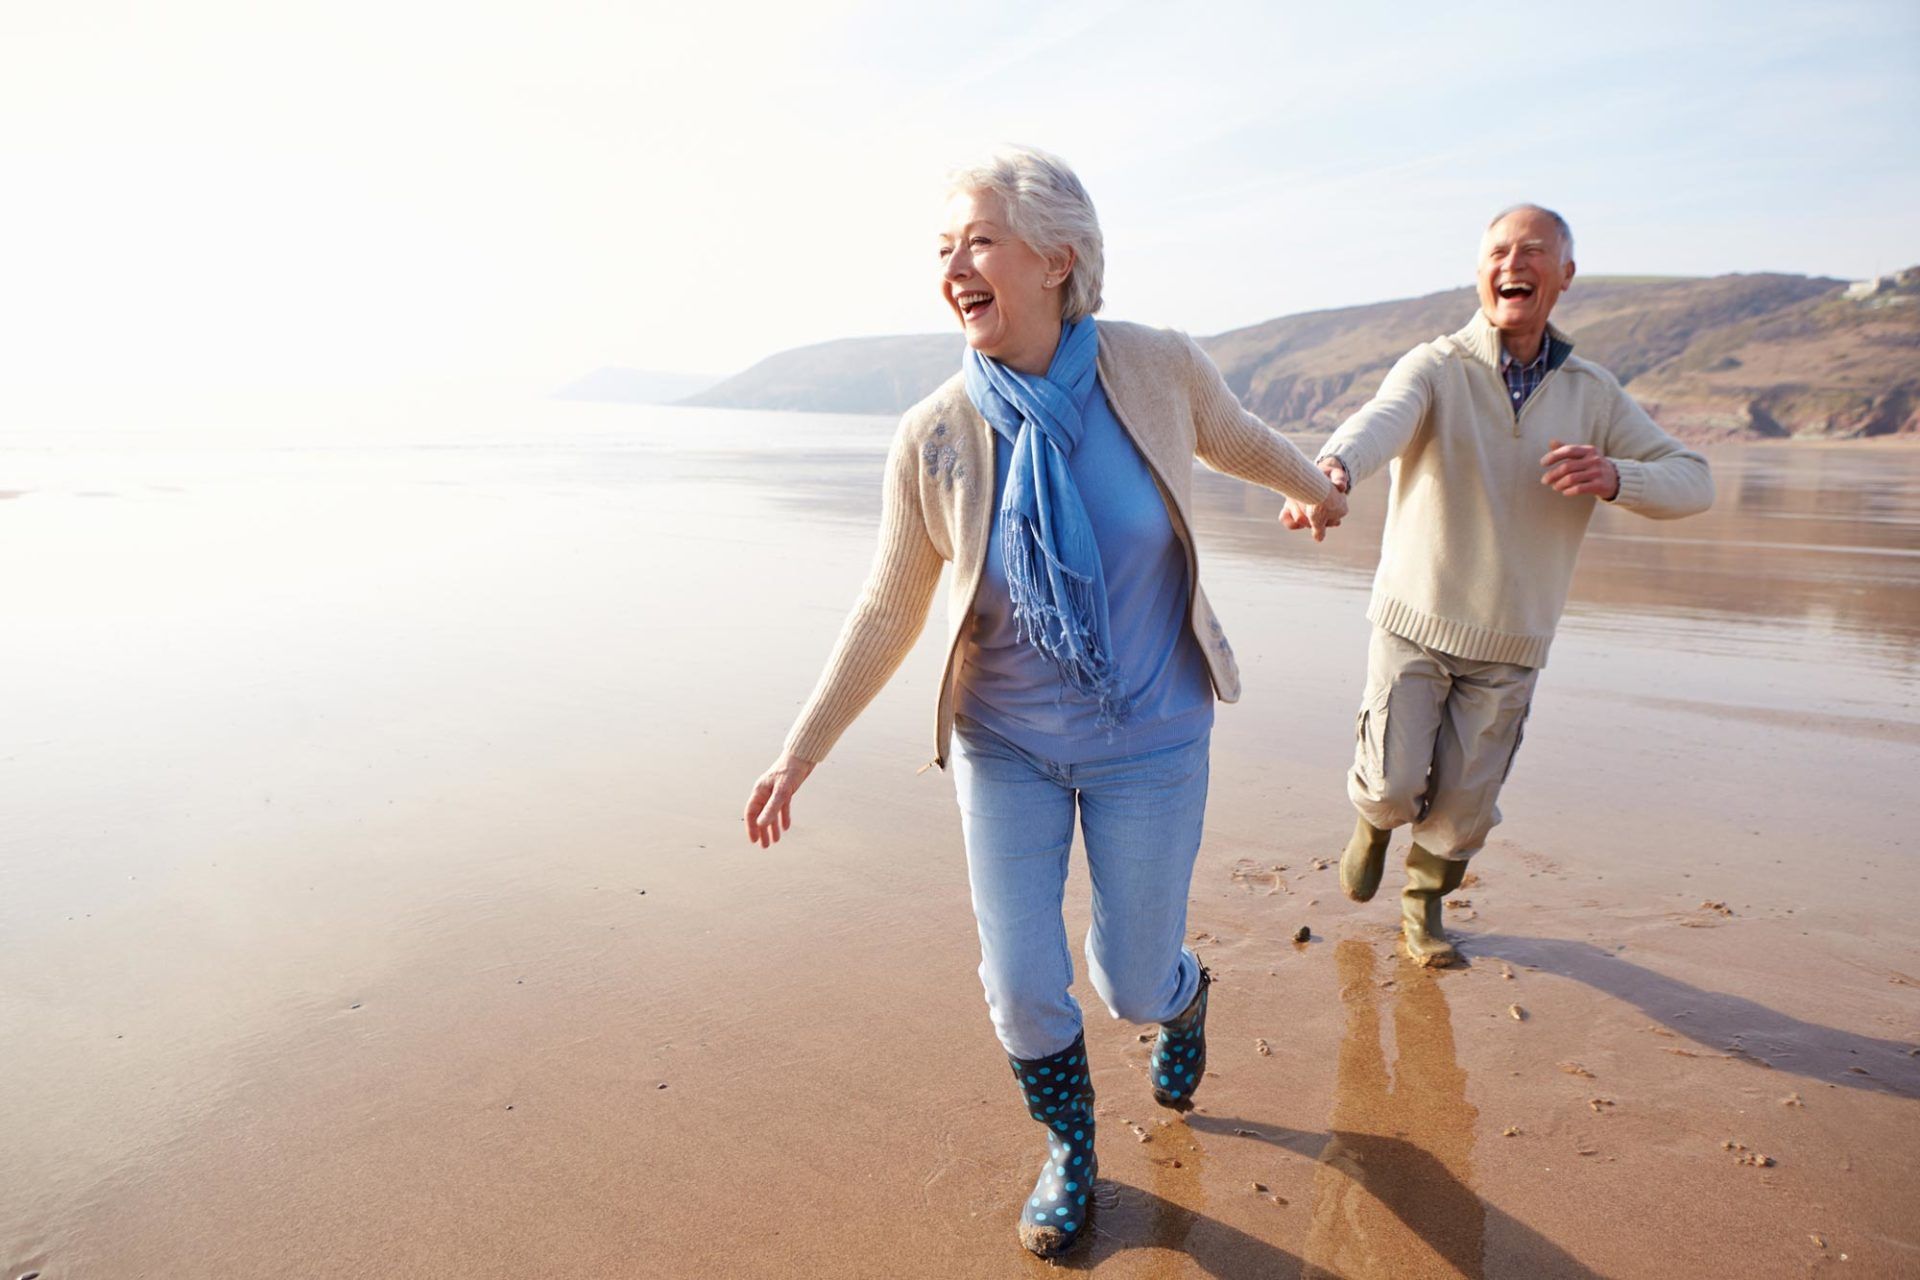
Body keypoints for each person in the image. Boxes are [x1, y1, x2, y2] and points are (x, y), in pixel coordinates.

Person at [742, 146, 1341, 1257]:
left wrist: (1320, 491)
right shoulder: (934, 434)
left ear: (1059, 257)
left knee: (1131, 979)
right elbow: (888, 608)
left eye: (977, 241)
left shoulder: (1157, 369)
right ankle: (1070, 1150)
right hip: (1003, 743)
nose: (953, 267)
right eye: (942, 249)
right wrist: (798, 753)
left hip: (1152, 737)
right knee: (1021, 985)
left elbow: (1243, 440)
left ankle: (1186, 995)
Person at [1281, 204, 1714, 967]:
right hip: (1415, 618)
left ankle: (1423, 909)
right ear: (1480, 270)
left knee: (1463, 808)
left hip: (1513, 638)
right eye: (1499, 251)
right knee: (1391, 782)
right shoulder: (1437, 365)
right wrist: (1333, 470)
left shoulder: (1594, 392)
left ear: (1565, 275)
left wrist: (1618, 475)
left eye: (1533, 251)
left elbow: (1694, 482)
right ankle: (1373, 823)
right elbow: (1380, 420)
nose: (1513, 263)